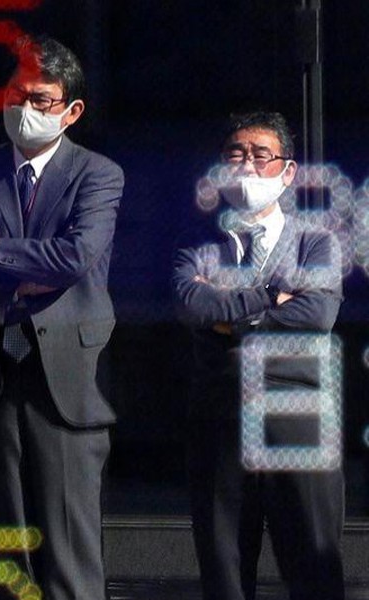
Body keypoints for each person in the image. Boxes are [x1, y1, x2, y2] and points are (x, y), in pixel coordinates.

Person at [0, 35, 123, 600]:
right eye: (18, 93)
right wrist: (20, 268)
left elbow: (74, 257)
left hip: (67, 372)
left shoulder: (98, 173)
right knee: (8, 545)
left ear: (71, 111)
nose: (27, 108)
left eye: (42, 99)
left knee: (68, 545)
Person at [172, 111, 344, 600]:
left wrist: (231, 320)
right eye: (235, 155)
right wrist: (272, 296)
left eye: (261, 155)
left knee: (312, 557)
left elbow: (316, 313)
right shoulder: (198, 241)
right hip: (221, 411)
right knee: (224, 562)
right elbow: (190, 303)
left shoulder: (317, 238)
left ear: (287, 172)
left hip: (298, 411)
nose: (247, 166)